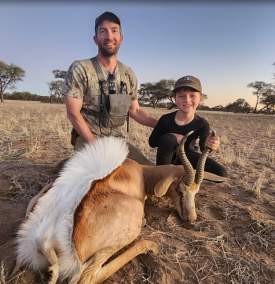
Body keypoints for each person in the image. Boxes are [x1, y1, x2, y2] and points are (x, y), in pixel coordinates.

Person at [62, 11, 157, 165]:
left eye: (114, 30)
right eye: (102, 31)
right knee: (98, 179)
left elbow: (135, 111)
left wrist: (165, 125)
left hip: (118, 143)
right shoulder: (80, 68)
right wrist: (95, 144)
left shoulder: (128, 74)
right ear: (95, 39)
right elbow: (73, 113)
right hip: (89, 141)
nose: (109, 36)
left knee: (150, 175)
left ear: (121, 38)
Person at [149, 75, 227, 177]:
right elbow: (152, 142)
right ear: (175, 99)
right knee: (168, 138)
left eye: (192, 96)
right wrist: (172, 135)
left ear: (200, 99)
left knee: (221, 173)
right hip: (168, 159)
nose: (187, 100)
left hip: (188, 157)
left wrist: (211, 145)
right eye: (181, 96)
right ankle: (161, 178)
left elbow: (204, 148)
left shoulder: (202, 123)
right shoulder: (165, 119)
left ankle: (185, 177)